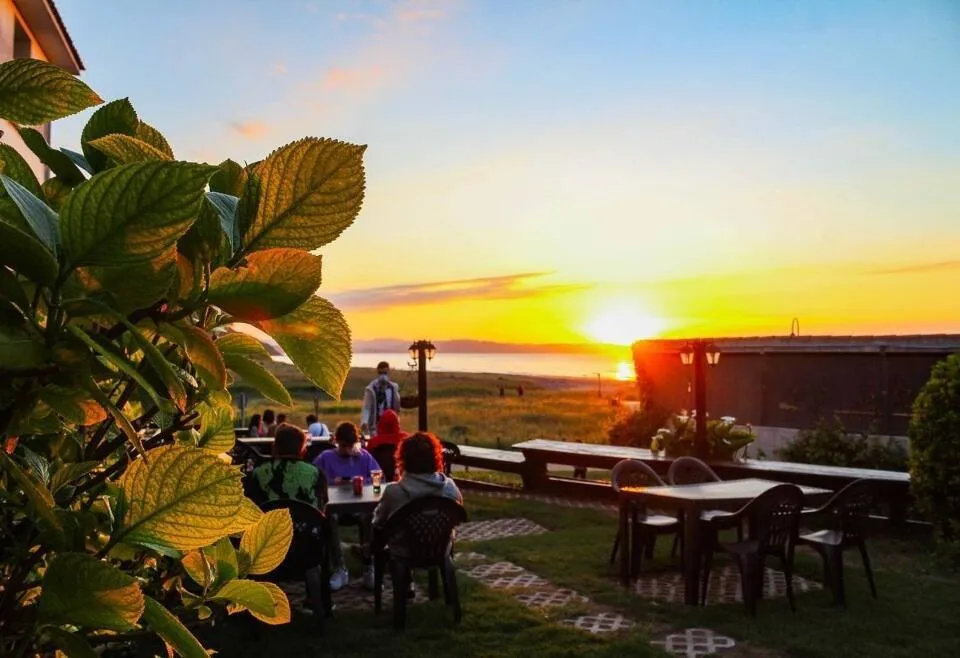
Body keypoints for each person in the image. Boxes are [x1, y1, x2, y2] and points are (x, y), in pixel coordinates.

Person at [313, 422, 381, 590]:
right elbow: (314, 479)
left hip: (359, 507)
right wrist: (331, 482)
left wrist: (359, 482)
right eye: (344, 446)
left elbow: (379, 477)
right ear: (336, 442)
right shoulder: (325, 458)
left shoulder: (364, 457)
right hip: (336, 507)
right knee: (330, 518)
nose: (348, 450)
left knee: (370, 517)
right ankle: (340, 568)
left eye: (351, 446)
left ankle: (368, 567)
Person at [371, 432, 463, 541]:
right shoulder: (449, 488)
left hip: (403, 555)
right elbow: (457, 518)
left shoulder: (394, 492)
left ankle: (367, 552)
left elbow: (378, 523)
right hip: (439, 554)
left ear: (403, 459)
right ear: (435, 457)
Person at [249, 424, 327, 508]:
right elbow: (323, 504)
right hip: (307, 521)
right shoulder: (316, 473)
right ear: (303, 452)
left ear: (274, 448)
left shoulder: (257, 473)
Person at [360, 361, 400, 437]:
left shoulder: (393, 388)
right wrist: (364, 421)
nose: (382, 376)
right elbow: (367, 407)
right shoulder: (372, 389)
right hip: (376, 427)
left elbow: (396, 406)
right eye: (380, 373)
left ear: (388, 372)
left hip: (391, 427)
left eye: (384, 373)